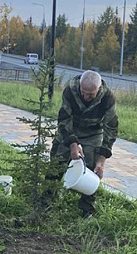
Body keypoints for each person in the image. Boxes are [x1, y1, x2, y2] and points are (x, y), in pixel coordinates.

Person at [50, 70, 118, 218]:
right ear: (80, 87)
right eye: (84, 92)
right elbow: (64, 119)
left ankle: (87, 209)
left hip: (93, 133)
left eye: (91, 94)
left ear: (98, 90)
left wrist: (101, 161)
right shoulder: (70, 90)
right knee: (56, 162)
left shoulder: (107, 98)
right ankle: (47, 199)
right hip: (70, 129)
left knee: (92, 168)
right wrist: (72, 143)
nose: (86, 97)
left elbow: (111, 130)